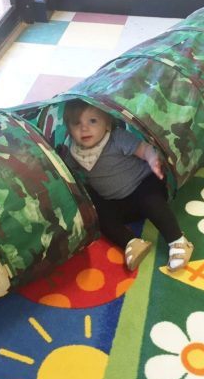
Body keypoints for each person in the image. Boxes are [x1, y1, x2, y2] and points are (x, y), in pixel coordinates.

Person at [61, 99, 193, 272]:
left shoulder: (117, 138)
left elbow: (144, 149)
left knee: (150, 199)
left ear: (107, 124)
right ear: (69, 129)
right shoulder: (73, 153)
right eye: (76, 123)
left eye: (93, 121)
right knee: (96, 212)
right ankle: (131, 242)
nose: (84, 128)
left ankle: (177, 240)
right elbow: (70, 176)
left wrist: (153, 159)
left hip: (142, 185)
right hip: (117, 204)